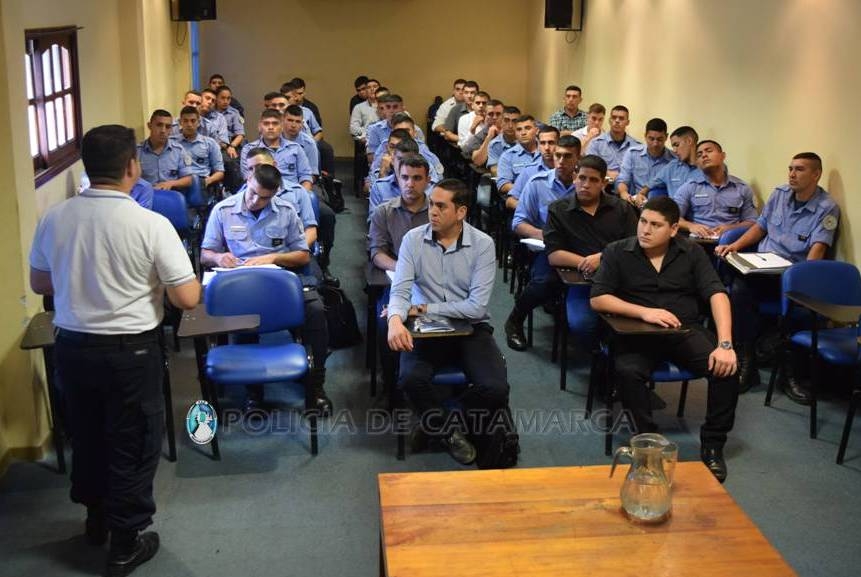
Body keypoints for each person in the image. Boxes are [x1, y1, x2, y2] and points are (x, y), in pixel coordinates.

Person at [29, 124, 201, 575]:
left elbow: (40, 283)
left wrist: (83, 281)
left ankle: (96, 519)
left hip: (72, 347)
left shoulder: (55, 218)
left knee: (87, 435)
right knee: (133, 442)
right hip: (131, 353)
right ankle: (125, 542)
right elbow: (187, 298)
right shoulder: (150, 223)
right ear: (132, 167)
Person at [590, 196, 739, 482]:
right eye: (643, 221)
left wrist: (725, 344)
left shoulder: (691, 251)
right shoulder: (618, 251)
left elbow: (717, 293)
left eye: (655, 225)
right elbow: (598, 298)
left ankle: (712, 445)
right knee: (628, 372)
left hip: (682, 330)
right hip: (636, 332)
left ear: (673, 229)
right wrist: (645, 312)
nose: (645, 230)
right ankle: (648, 444)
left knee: (727, 369)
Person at [387, 178, 515, 467]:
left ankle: (440, 419)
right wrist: (395, 320)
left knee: (495, 387)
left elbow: (476, 306)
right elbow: (400, 291)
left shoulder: (483, 244)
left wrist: (425, 307)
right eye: (431, 204)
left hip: (471, 328)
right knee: (410, 379)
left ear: (461, 212)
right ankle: (448, 432)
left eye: (441, 206)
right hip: (426, 328)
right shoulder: (413, 240)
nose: (432, 211)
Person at [200, 163, 333, 414]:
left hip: (278, 282)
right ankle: (253, 392)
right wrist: (218, 258)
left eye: (263, 198)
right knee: (243, 315)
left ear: (274, 194)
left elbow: (303, 255)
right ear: (248, 180)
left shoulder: (286, 211)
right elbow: (206, 253)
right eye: (252, 193)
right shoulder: (223, 210)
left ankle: (315, 386)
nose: (255, 201)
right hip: (241, 284)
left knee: (316, 310)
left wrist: (273, 257)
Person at [714, 152, 840, 401]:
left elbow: (817, 252)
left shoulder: (827, 208)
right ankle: (747, 360)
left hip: (791, 277)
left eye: (800, 169)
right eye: (791, 168)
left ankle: (788, 374)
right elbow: (760, 227)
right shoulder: (780, 194)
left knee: (799, 306)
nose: (792, 174)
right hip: (762, 269)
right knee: (738, 290)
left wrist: (802, 282)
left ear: (816, 174)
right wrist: (735, 246)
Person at [504, 135, 580, 351]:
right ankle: (515, 321)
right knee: (545, 281)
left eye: (568, 156)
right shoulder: (538, 183)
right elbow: (518, 223)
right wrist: (545, 235)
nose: (561, 161)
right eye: (558, 155)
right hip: (545, 248)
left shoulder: (584, 186)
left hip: (579, 249)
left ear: (578, 158)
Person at [369, 156, 432, 393]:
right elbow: (377, 253)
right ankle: (391, 384)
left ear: (427, 181)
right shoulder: (384, 212)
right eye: (404, 177)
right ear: (397, 178)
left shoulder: (437, 211)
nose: (410, 184)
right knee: (384, 321)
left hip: (433, 280)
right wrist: (404, 269)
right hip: (396, 280)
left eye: (417, 178)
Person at [674, 140, 757, 238]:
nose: (704, 155)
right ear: (697, 163)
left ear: (722, 156)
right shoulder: (690, 187)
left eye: (709, 151)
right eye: (699, 155)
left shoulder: (741, 188)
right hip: (698, 241)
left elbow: (752, 221)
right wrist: (691, 226)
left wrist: (730, 228)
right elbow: (673, 217)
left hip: (731, 241)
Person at [240, 108, 313, 190]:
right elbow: (248, 178)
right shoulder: (249, 149)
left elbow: (306, 178)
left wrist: (302, 195)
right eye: (266, 124)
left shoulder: (296, 148)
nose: (270, 127)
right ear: (260, 127)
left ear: (282, 127)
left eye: (275, 124)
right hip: (261, 193)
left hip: (292, 193)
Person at [616, 118, 674, 207]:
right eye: (651, 139)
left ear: (666, 137)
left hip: (660, 206)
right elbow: (623, 180)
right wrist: (624, 194)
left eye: (659, 139)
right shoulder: (632, 153)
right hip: (634, 204)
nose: (655, 144)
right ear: (645, 136)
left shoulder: (673, 160)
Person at [640, 125, 702, 200]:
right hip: (675, 206)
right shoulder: (672, 167)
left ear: (689, 141)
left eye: (677, 145)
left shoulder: (706, 167)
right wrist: (641, 194)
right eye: (673, 147)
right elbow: (650, 184)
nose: (674, 150)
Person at [505, 125, 560, 210]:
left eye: (551, 143)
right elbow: (510, 201)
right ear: (538, 145)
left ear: (559, 144)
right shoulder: (529, 171)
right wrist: (529, 209)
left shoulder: (567, 169)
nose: (547, 148)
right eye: (542, 143)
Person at [137, 109, 193, 191]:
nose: (163, 130)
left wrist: (170, 183)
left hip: (171, 194)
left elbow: (189, 179)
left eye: (168, 127)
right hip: (145, 195)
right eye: (159, 125)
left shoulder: (178, 150)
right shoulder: (137, 151)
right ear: (149, 126)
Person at [585, 105, 641, 181]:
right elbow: (591, 170)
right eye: (614, 117)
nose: (617, 121)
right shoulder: (596, 143)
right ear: (609, 121)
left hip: (627, 186)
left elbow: (638, 173)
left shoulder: (636, 147)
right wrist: (609, 177)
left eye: (621, 118)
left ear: (627, 122)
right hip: (604, 184)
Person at [496, 115, 540, 196]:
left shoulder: (547, 151)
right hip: (520, 197)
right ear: (515, 133)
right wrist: (527, 191)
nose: (523, 133)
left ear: (536, 131)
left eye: (528, 128)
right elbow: (503, 184)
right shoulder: (508, 156)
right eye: (519, 129)